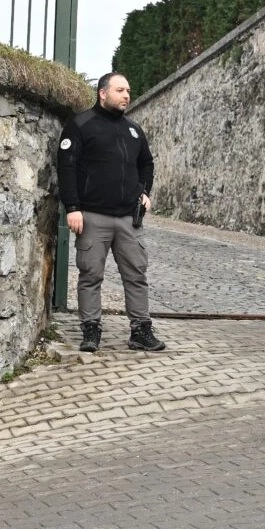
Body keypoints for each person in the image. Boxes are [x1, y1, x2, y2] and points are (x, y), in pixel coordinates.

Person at [57, 72, 166, 354]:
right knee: (91, 275)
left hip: (129, 219)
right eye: (120, 90)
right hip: (93, 216)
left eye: (128, 91)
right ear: (102, 93)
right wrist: (72, 207)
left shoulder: (133, 129)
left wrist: (144, 193)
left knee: (136, 274)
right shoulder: (80, 125)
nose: (126, 95)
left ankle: (141, 330)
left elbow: (147, 164)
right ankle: (91, 331)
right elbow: (67, 167)